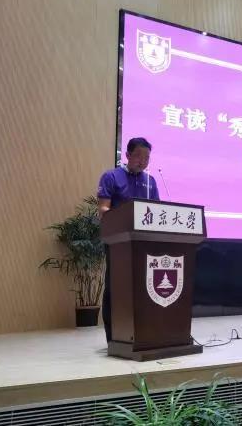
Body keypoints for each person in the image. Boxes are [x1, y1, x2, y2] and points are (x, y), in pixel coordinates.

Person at [97, 137, 160, 342]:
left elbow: (157, 212)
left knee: (143, 288)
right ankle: (113, 337)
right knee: (115, 288)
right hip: (118, 243)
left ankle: (142, 334)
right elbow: (103, 209)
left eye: (147, 157)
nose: (143, 161)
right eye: (139, 156)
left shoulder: (150, 182)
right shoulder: (111, 177)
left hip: (144, 243)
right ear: (127, 155)